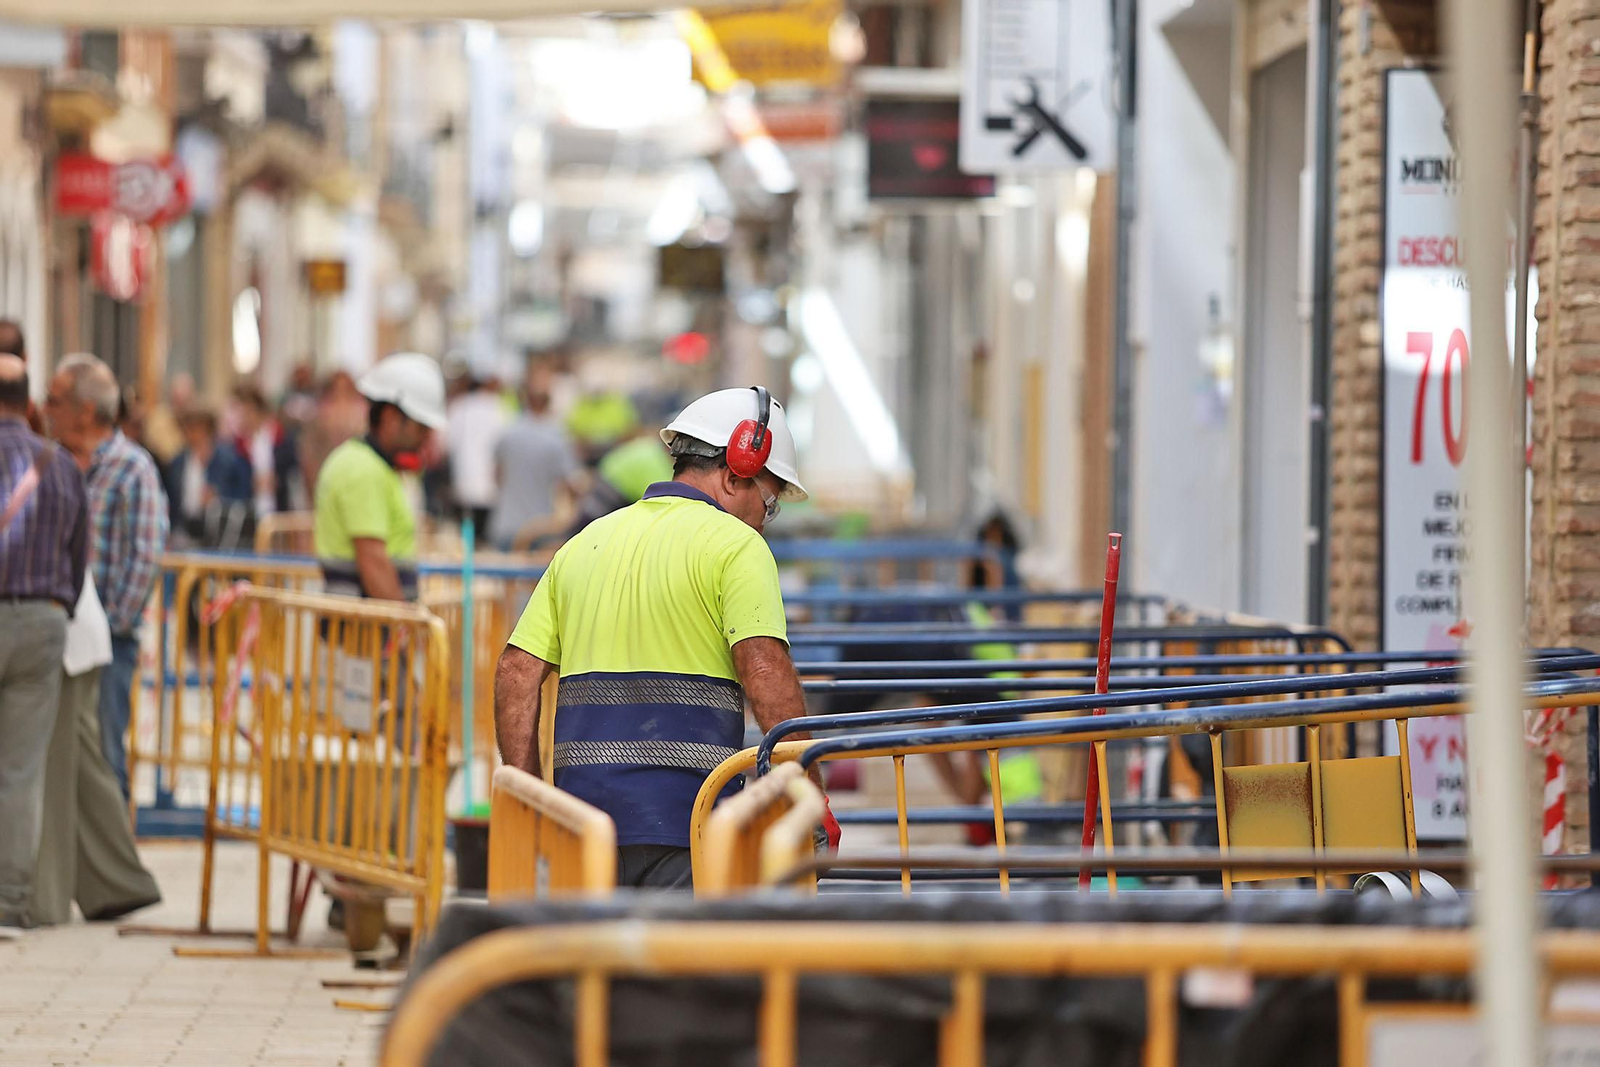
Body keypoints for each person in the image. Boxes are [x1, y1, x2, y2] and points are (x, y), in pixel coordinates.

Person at [494, 386, 838, 890]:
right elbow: (765, 674)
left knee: (595, 968)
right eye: (769, 503)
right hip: (690, 826)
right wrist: (811, 797)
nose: (765, 522)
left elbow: (516, 674)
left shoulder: (584, 543)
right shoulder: (738, 548)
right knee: (680, 966)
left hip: (581, 831)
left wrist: (531, 802)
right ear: (734, 471)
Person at [46, 353, 169, 801]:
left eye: (54, 400)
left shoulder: (132, 469)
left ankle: (114, 866)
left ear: (84, 410)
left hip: (108, 645)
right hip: (53, 637)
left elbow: (145, 555)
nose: (45, 410)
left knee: (103, 761)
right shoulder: (51, 463)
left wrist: (109, 625)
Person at [0, 350, 88, 935]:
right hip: (43, 621)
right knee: (20, 770)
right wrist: (59, 609)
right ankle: (8, 902)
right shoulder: (59, 466)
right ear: (31, 403)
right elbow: (79, 558)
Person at [29, 570, 161, 926]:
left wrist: (120, 619)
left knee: (56, 770)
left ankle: (46, 901)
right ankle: (118, 885)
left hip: (65, 641)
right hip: (73, 635)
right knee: (84, 763)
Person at [314, 352, 445, 601]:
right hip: (366, 634)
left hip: (366, 631)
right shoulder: (363, 470)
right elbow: (374, 563)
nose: (426, 438)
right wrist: (407, 630)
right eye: (421, 427)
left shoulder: (371, 466)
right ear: (391, 418)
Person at [488, 370, 582, 552]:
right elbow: (570, 486)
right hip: (541, 530)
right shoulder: (558, 438)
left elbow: (497, 477)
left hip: (505, 525)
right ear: (549, 400)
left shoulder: (507, 433)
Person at [162, 408, 253, 549]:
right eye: (190, 429)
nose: (194, 435)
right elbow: (170, 499)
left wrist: (218, 500)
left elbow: (243, 498)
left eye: (199, 430)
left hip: (217, 534)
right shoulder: (178, 463)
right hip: (183, 530)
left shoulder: (228, 461)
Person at [444, 372, 507, 535]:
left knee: (466, 535)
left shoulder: (459, 407)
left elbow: (448, 444)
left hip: (464, 483)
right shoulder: (497, 407)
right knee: (483, 535)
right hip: (489, 486)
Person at [232, 382, 297, 519]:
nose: (246, 417)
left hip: (279, 509)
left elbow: (292, 473)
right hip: (251, 513)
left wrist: (276, 480)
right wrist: (252, 483)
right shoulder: (238, 446)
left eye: (249, 411)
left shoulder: (281, 438)